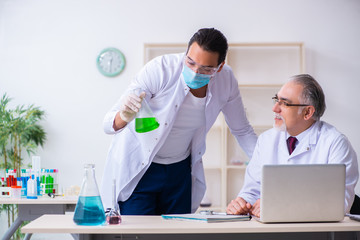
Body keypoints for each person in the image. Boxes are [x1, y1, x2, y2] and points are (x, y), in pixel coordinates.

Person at [101, 28, 258, 215]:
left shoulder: (226, 80)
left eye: (206, 68)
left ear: (220, 66)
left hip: (180, 170)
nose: (195, 71)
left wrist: (267, 162)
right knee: (138, 231)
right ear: (186, 53)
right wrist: (124, 116)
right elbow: (108, 124)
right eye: (190, 62)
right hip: (142, 169)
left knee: (178, 230)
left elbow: (242, 130)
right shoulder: (161, 69)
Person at [226, 74, 359, 217]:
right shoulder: (266, 140)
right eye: (276, 100)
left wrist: (278, 206)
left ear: (307, 112)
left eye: (285, 103)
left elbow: (339, 204)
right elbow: (252, 191)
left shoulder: (335, 143)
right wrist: (242, 203)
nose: (275, 108)